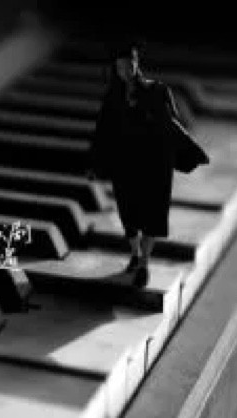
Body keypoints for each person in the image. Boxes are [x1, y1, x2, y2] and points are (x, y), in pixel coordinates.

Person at [88, 40, 208, 287]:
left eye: (129, 65)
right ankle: (135, 255)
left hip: (154, 163)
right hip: (126, 164)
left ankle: (144, 263)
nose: (125, 71)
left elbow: (172, 124)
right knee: (129, 215)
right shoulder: (112, 97)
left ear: (136, 63)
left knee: (153, 216)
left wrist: (188, 151)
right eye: (120, 67)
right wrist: (94, 162)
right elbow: (102, 131)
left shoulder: (158, 90)